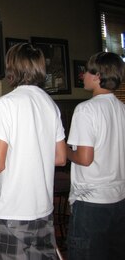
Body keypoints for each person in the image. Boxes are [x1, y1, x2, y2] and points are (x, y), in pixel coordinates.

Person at [0, 43, 67, 259]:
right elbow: (60, 158)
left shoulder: (5, 104)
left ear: (12, 69)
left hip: (14, 212)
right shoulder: (50, 104)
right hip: (43, 209)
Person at [66, 51, 125, 260]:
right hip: (119, 200)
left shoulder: (86, 110)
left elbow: (84, 158)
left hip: (91, 203)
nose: (83, 76)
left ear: (98, 75)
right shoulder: (122, 108)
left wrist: (63, 149)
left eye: (87, 72)